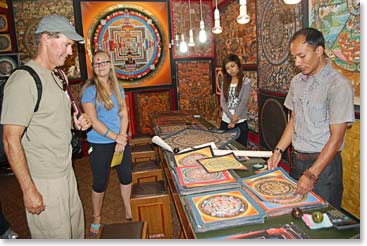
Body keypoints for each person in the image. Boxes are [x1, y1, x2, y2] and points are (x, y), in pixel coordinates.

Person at [1, 14, 91, 239]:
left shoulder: (58, 75)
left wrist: (75, 123)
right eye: (67, 45)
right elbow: (10, 140)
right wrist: (29, 190)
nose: (70, 52)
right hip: (44, 179)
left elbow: (49, 118)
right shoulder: (24, 80)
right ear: (45, 39)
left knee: (75, 233)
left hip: (66, 171)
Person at [267, 28, 355, 210]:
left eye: (302, 56)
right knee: (295, 215)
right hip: (297, 161)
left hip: (323, 167)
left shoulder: (338, 85)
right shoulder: (297, 82)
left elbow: (336, 137)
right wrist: (278, 150)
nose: (297, 63)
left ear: (319, 51)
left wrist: (312, 174)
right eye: (294, 58)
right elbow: (294, 121)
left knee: (322, 222)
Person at [80, 50, 132, 236]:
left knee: (126, 177)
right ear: (93, 67)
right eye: (96, 63)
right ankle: (96, 217)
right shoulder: (89, 90)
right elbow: (93, 121)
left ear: (110, 64)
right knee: (100, 182)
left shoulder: (118, 87)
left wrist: (122, 137)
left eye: (103, 62)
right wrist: (115, 137)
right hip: (100, 142)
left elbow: (124, 114)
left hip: (120, 140)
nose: (100, 65)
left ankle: (128, 209)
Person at [219, 54, 251, 148]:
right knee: (224, 148)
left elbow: (243, 102)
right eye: (228, 68)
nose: (231, 70)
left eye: (232, 66)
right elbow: (223, 102)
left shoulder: (246, 81)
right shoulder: (225, 82)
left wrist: (234, 119)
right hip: (225, 121)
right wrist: (230, 118)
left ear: (238, 64)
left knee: (240, 149)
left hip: (240, 122)